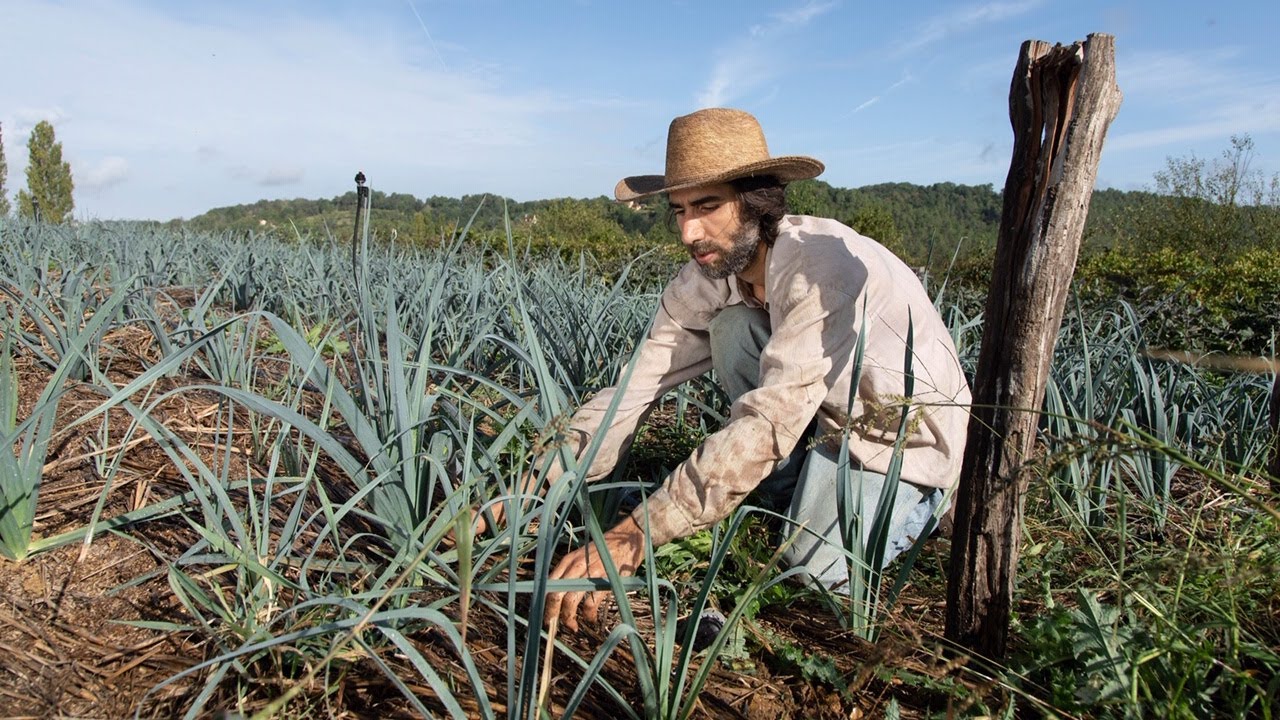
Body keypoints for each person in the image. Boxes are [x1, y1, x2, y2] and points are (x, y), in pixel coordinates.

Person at [530, 108, 971, 632]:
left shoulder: (822, 270)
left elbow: (766, 424)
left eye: (709, 205)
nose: (690, 231)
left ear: (756, 200)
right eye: (678, 210)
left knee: (811, 572)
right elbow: (634, 388)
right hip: (820, 426)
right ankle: (785, 492)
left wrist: (635, 535)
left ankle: (926, 504)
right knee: (733, 327)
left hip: (896, 439)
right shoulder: (713, 271)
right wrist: (533, 490)